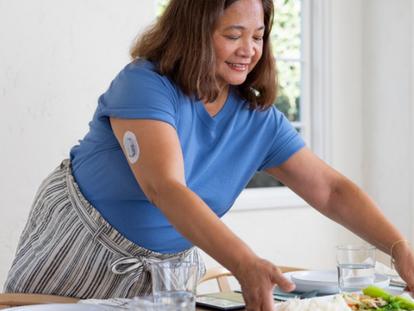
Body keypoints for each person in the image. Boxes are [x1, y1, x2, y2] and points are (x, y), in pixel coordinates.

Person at [4, 0, 414, 310]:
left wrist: (399, 248)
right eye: (233, 35)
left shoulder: (257, 118)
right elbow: (165, 187)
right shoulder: (145, 86)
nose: (248, 50)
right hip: (84, 247)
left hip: (169, 271)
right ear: (194, 31)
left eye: (258, 36)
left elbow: (330, 190)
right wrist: (244, 262)